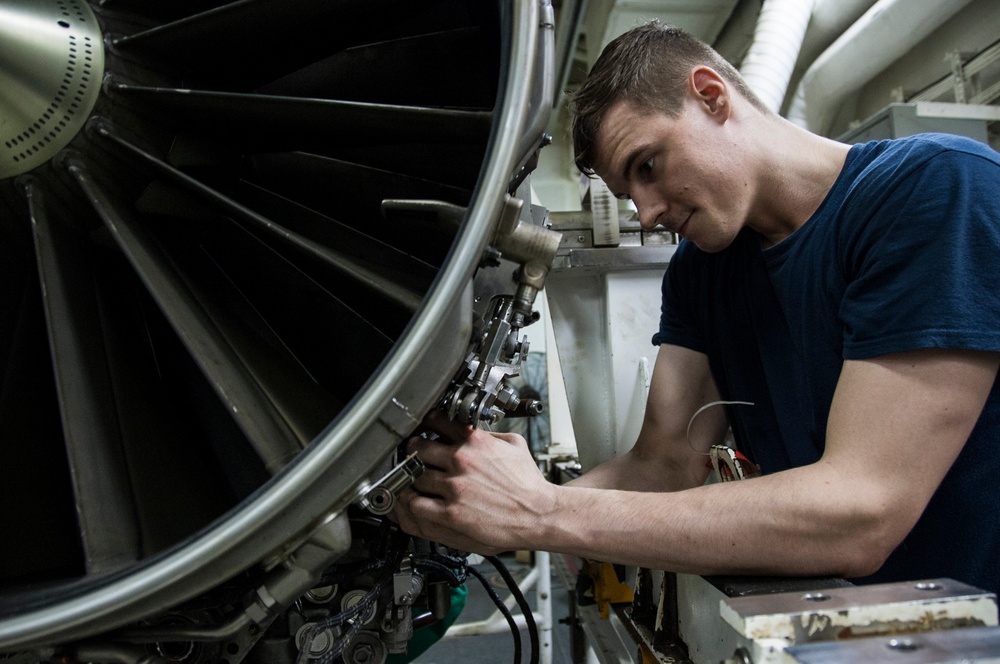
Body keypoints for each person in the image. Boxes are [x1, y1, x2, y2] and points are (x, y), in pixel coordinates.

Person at [392, 20, 1000, 594]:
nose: (647, 211)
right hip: (848, 633)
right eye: (629, 192)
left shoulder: (932, 190)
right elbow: (665, 462)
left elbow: (862, 511)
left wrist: (543, 512)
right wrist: (480, 502)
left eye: (648, 166)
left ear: (711, 96)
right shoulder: (703, 269)